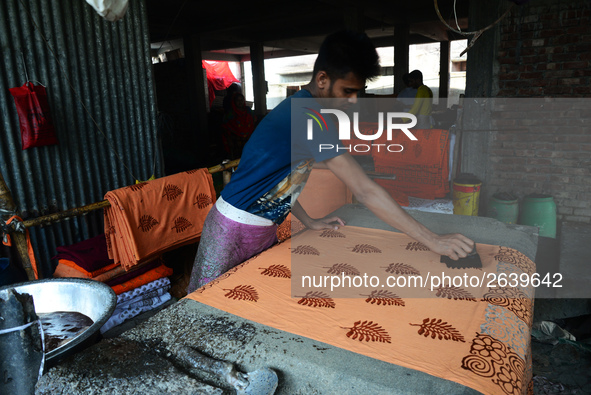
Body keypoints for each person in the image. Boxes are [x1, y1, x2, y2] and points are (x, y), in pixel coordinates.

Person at [187, 30, 473, 293]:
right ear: (323, 80)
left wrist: (308, 221)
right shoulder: (308, 115)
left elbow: (278, 179)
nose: (352, 100)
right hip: (232, 228)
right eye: (347, 91)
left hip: (261, 228)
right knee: (204, 308)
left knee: (246, 301)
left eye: (357, 92)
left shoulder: (303, 109)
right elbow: (364, 190)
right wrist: (433, 240)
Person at [221, 92, 256, 159]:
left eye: (241, 100)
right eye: (238, 100)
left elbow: (254, 120)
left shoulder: (248, 110)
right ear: (234, 101)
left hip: (248, 137)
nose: (240, 102)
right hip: (236, 140)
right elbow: (225, 126)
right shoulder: (230, 113)